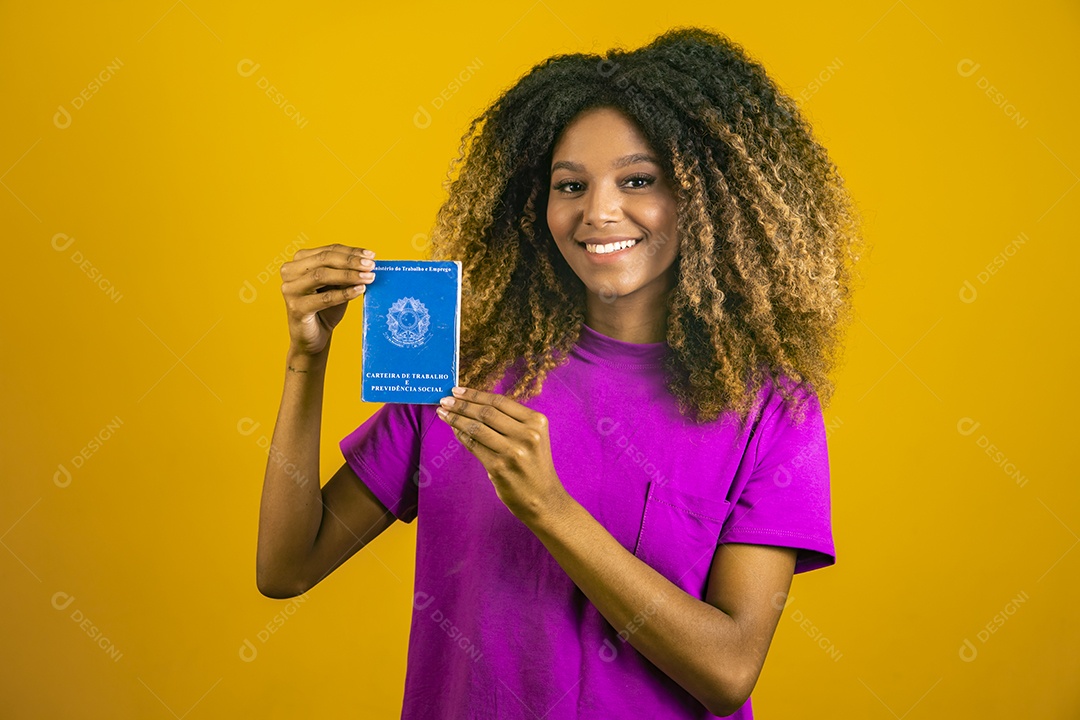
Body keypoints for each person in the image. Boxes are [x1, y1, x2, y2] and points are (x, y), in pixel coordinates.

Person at [256, 26, 865, 720]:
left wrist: (550, 508)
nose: (599, 211)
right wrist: (306, 360)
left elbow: (728, 671)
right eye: (569, 185)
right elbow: (287, 566)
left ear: (707, 196)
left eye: (639, 180)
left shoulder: (769, 410)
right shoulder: (459, 375)